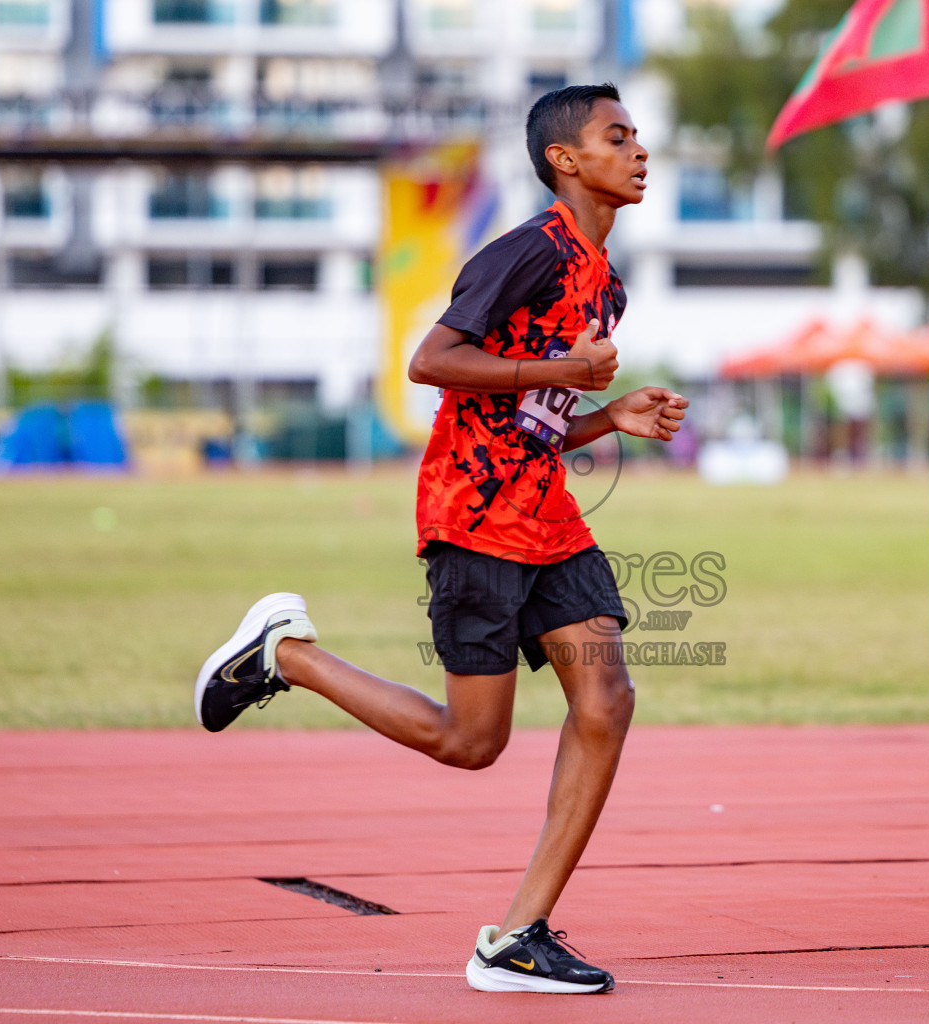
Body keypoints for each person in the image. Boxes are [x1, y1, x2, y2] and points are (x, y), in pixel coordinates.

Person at [192, 83, 688, 995]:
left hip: (546, 511)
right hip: (475, 515)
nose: (640, 151)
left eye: (638, 137)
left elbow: (534, 415)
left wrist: (607, 412)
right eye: (618, 137)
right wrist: (566, 369)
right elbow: (432, 362)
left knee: (606, 700)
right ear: (565, 161)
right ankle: (286, 657)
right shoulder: (526, 252)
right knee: (471, 742)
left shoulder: (604, 281)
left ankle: (517, 938)